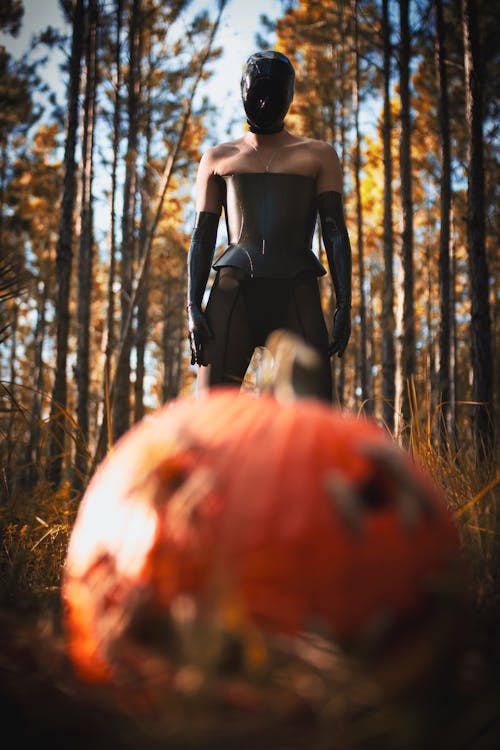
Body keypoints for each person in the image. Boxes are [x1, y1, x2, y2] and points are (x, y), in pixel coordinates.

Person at [186, 50, 352, 401]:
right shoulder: (218, 158)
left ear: (289, 95)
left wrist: (344, 304)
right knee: (211, 418)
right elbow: (202, 235)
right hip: (235, 294)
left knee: (314, 420)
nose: (264, 101)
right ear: (244, 92)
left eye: (272, 93)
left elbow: (334, 231)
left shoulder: (318, 154)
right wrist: (191, 307)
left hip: (295, 294)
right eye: (257, 92)